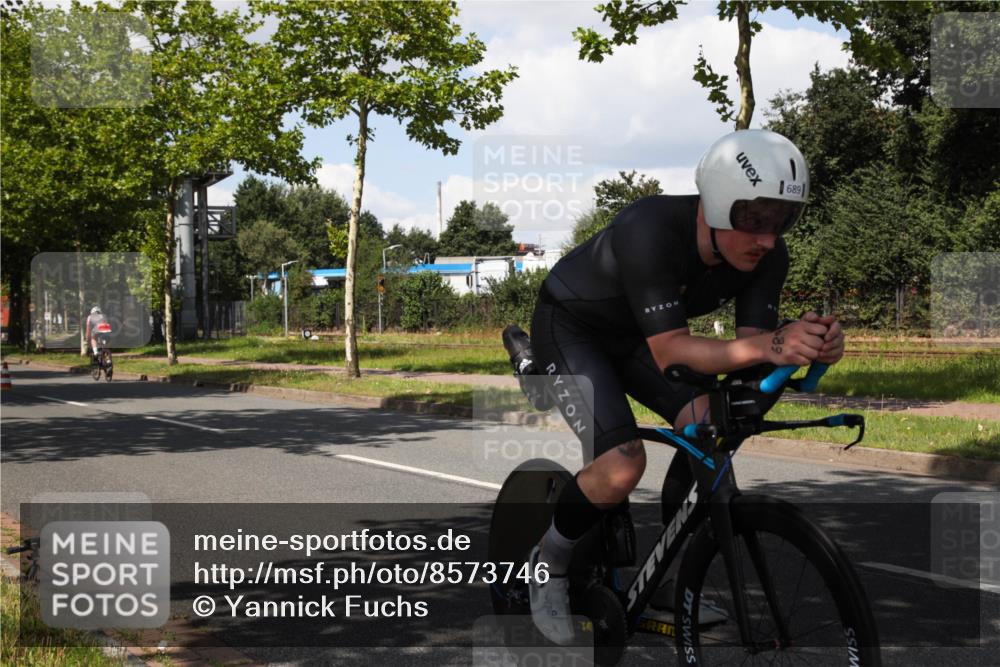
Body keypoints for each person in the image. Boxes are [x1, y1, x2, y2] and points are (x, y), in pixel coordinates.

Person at [526, 129, 845, 644]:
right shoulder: (647, 229)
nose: (767, 237)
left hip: (636, 337)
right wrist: (774, 344)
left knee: (708, 429)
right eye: (754, 218)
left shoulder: (767, 257)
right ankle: (549, 564)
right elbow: (674, 351)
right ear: (717, 204)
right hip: (573, 329)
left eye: (783, 220)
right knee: (622, 463)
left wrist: (803, 351)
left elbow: (749, 359)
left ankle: (668, 575)